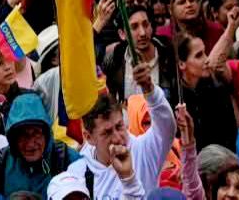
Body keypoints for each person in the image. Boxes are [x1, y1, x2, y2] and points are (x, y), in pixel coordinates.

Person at [47, 58, 175, 200]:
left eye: (119, 126)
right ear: (88, 137)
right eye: (106, 133)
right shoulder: (79, 172)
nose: (117, 138)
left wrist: (150, 91)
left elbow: (167, 127)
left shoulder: (144, 149)